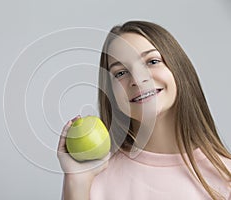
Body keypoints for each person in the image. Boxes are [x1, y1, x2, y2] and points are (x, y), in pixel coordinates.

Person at [57, 21, 231, 200]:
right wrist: (77, 181)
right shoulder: (91, 179)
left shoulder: (226, 178)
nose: (138, 79)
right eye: (120, 73)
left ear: (179, 69)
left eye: (152, 61)